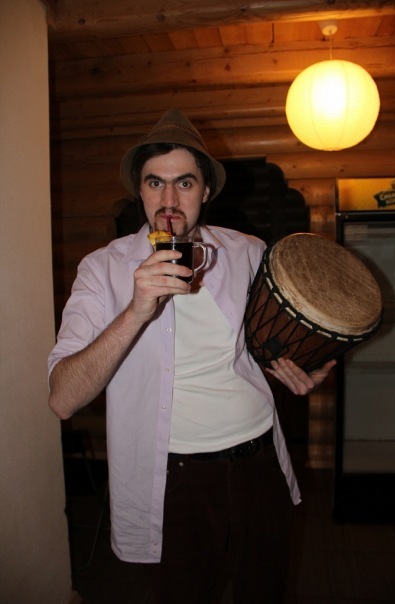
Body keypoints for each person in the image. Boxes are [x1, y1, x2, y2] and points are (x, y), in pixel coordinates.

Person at [48, 109, 335, 603]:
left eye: (184, 183)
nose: (169, 200)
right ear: (139, 192)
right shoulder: (102, 269)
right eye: (154, 183)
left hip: (260, 460)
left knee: (265, 591)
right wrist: (137, 310)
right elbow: (63, 399)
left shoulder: (247, 251)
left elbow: (271, 339)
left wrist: (299, 365)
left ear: (206, 191)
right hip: (174, 478)